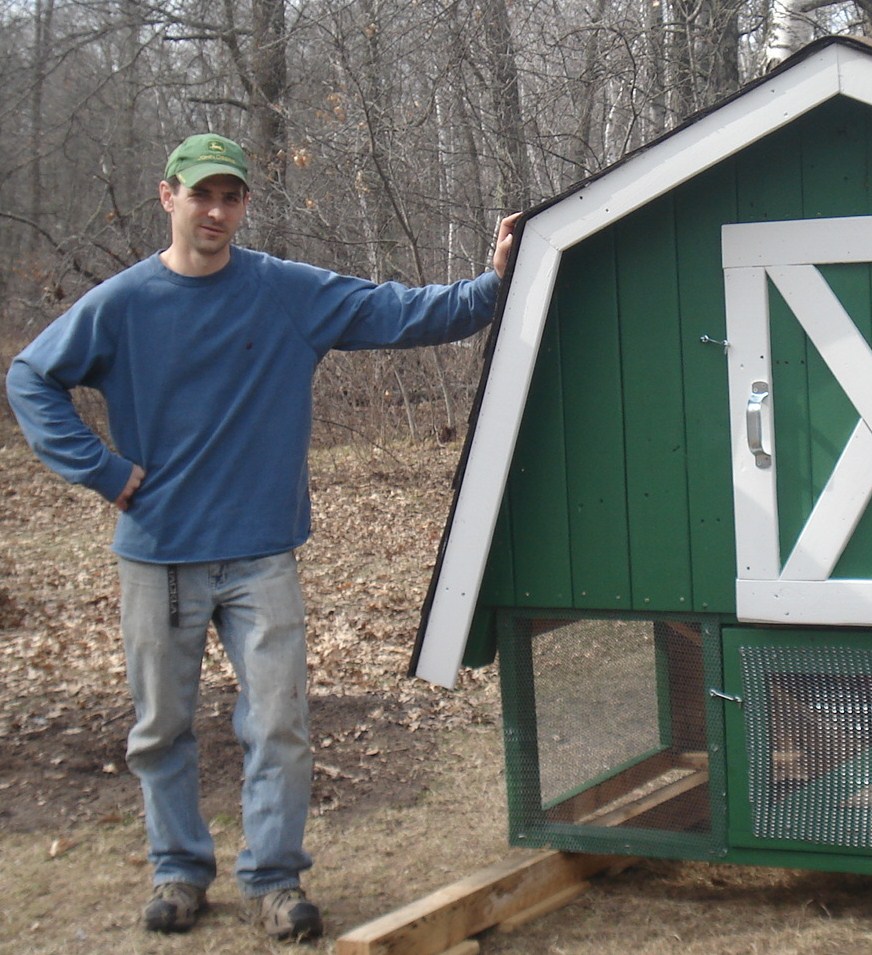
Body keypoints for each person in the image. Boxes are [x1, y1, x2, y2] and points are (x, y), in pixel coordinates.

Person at [5, 133, 518, 942]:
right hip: (158, 552)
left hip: (260, 555)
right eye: (201, 194)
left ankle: (275, 880)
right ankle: (178, 871)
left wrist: (491, 286)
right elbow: (30, 377)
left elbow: (398, 311)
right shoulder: (123, 303)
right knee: (160, 727)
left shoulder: (282, 291)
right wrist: (103, 471)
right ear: (167, 196)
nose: (215, 211)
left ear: (242, 205)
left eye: (230, 196)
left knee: (278, 723)